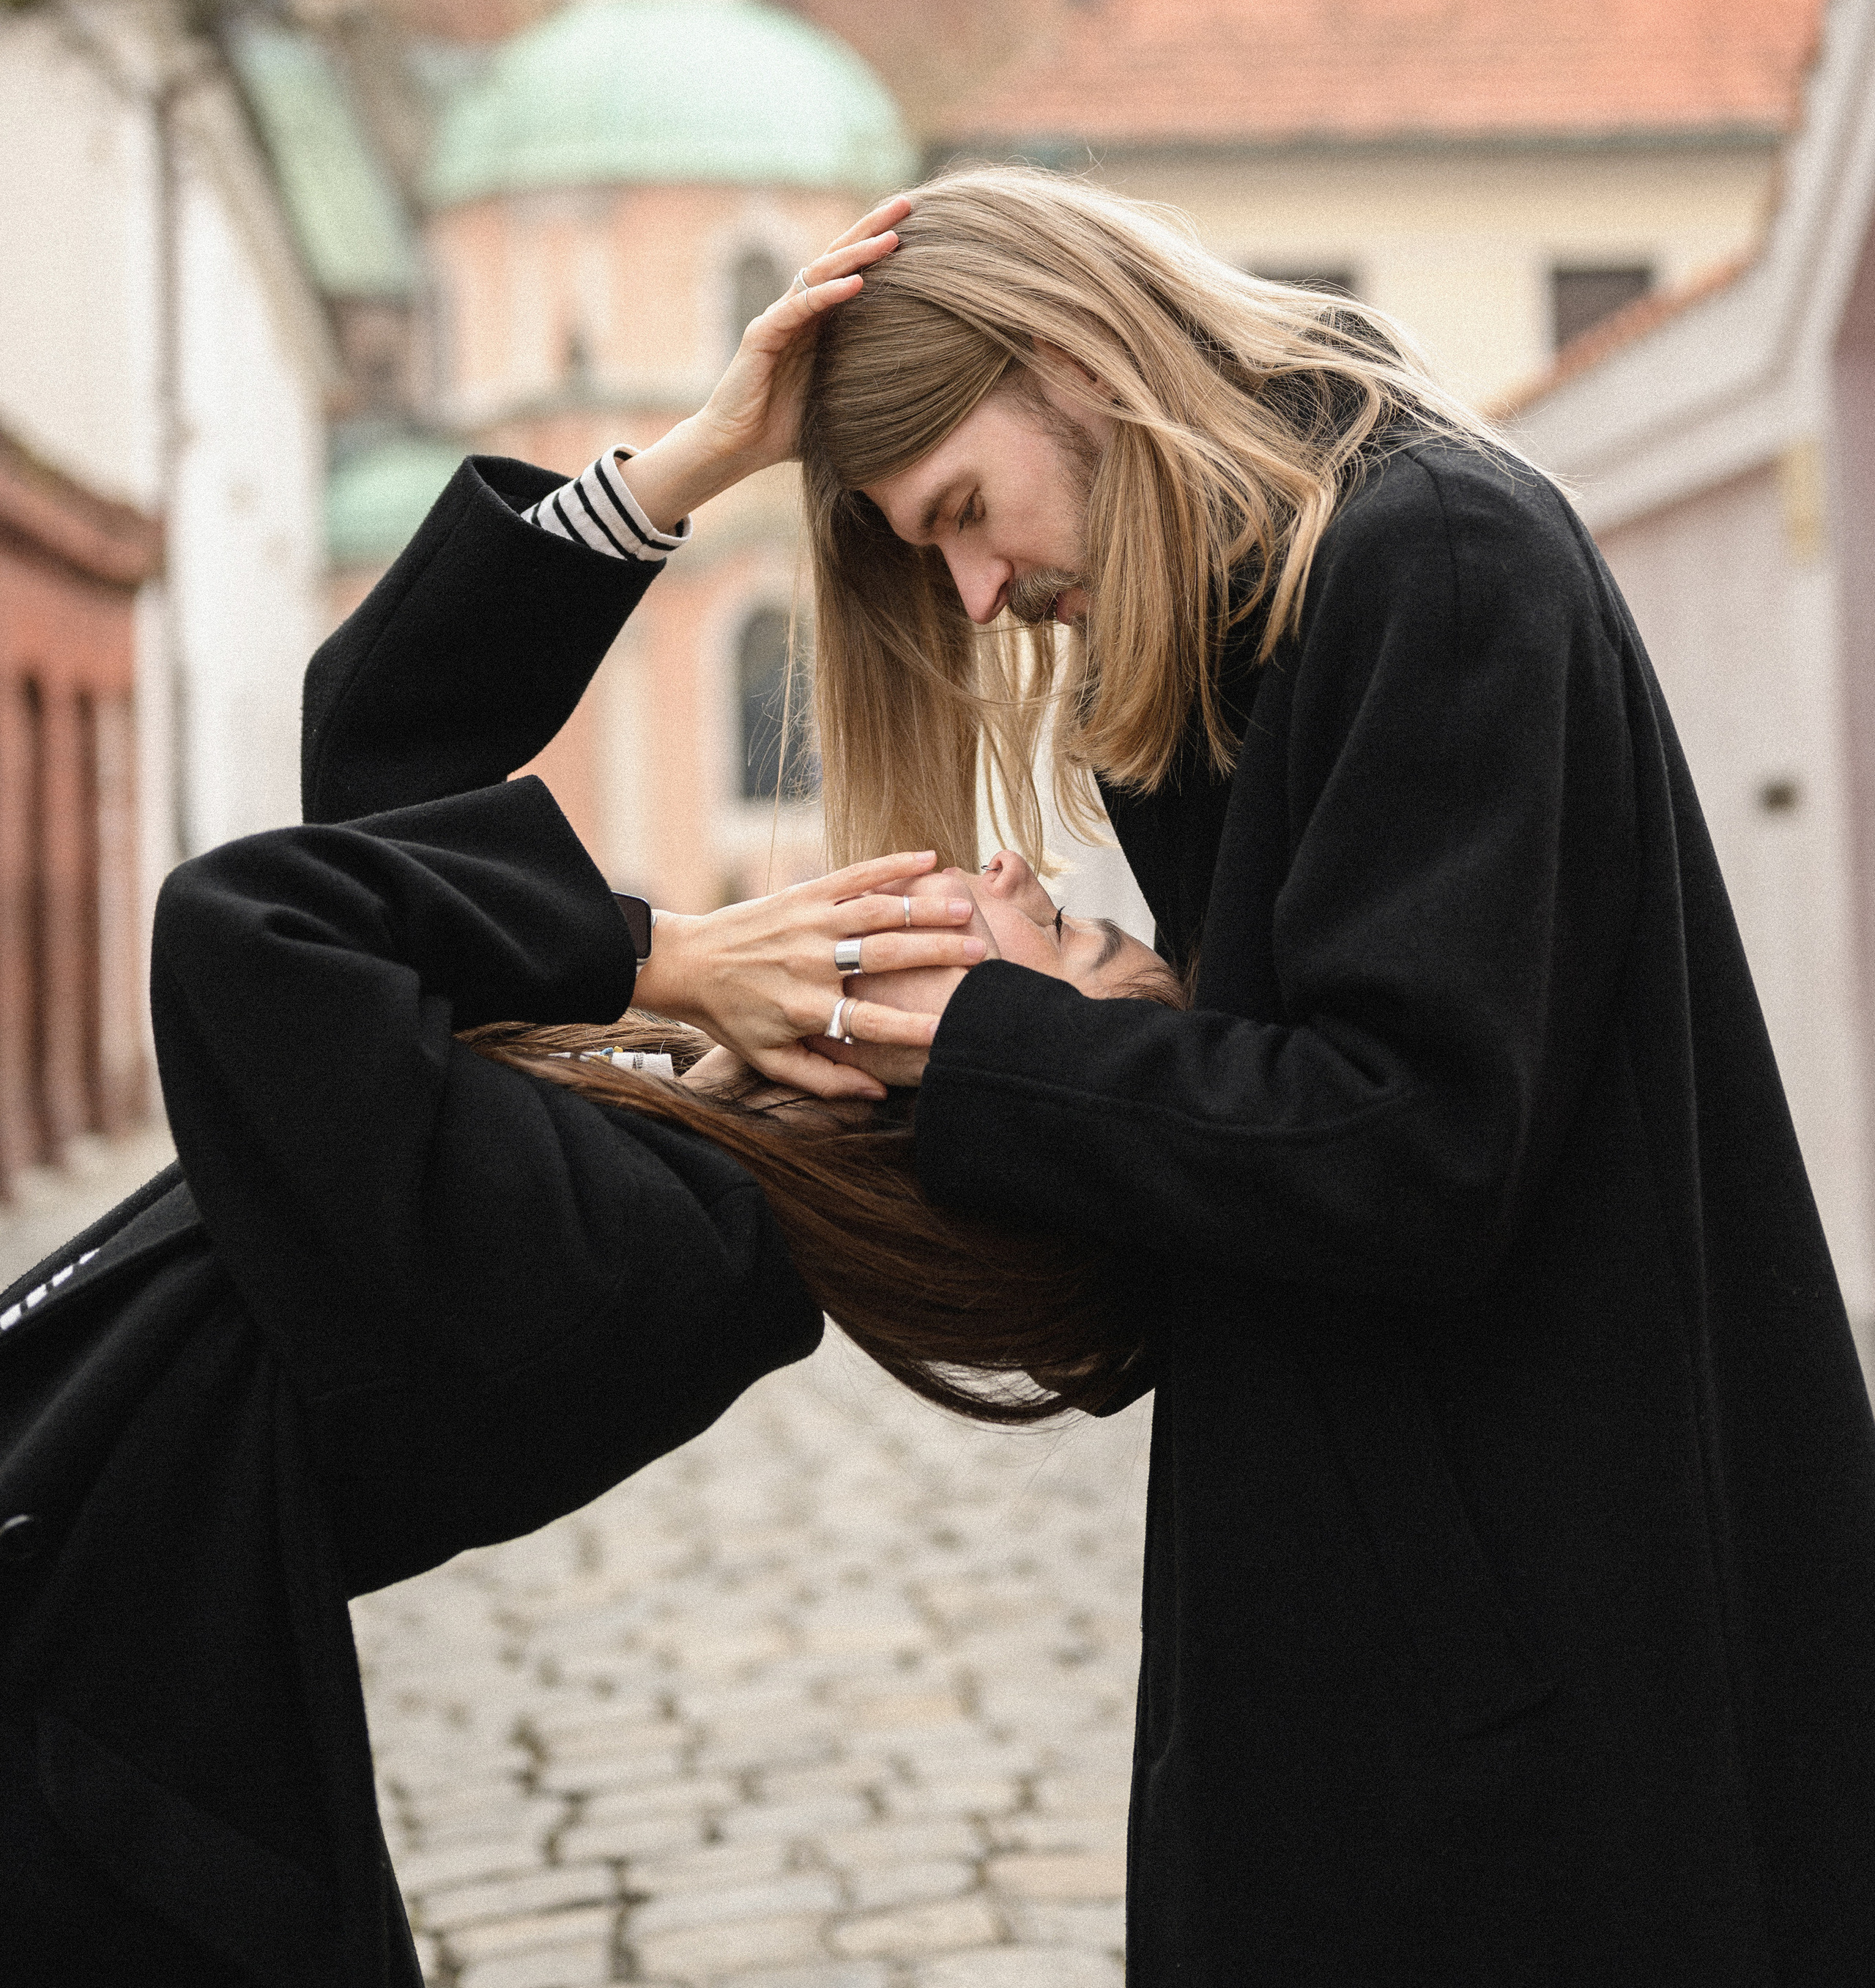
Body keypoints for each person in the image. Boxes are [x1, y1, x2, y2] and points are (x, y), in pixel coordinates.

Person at [552, 168, 1875, 1987]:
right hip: (1393, 1630)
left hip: (1540, 1669)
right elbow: (1268, 1117)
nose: (977, 588)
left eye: (961, 512)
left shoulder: (1434, 553)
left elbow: (1412, 1145)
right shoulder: (1243, 607)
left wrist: (986, 1034)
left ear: (1073, 361)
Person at [0, 341, 1168, 1988]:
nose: (1000, 869)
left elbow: (255, 928)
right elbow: (384, 776)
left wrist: (659, 952)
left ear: (981, 1067)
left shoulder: (656, 1264)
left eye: (1052, 930)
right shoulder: (682, 1168)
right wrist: (689, 463)